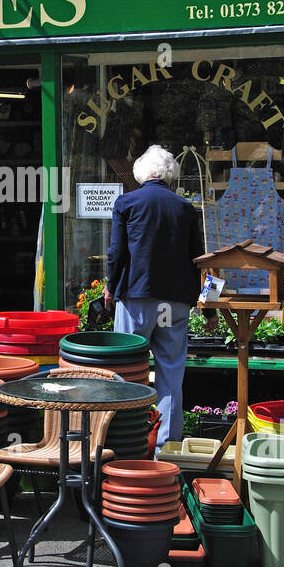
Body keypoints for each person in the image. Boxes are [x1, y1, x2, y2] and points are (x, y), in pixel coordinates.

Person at [103, 144, 204, 453]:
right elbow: (197, 258)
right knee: (171, 372)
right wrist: (202, 300)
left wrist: (110, 286)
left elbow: (117, 252)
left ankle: (125, 441)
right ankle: (166, 447)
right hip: (172, 303)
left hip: (136, 297)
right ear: (169, 174)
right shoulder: (186, 208)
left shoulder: (127, 203)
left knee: (126, 371)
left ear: (141, 173)